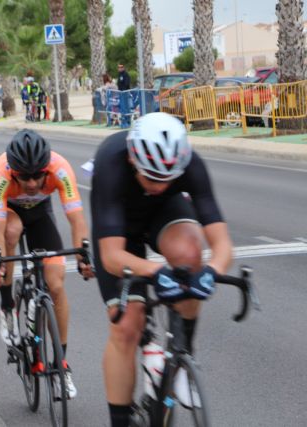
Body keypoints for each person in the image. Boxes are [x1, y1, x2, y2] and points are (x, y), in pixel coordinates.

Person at [90, 112, 232, 427]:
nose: (159, 185)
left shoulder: (190, 163)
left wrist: (211, 271)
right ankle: (121, 420)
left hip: (162, 216)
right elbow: (112, 256)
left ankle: (182, 358)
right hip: (119, 228)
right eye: (151, 177)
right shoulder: (111, 162)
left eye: (168, 178)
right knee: (126, 326)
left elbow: (221, 244)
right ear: (132, 160)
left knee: (190, 255)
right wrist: (157, 273)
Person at [0, 129, 94, 399]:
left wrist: (84, 256)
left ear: (47, 168)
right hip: (10, 213)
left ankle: (61, 365)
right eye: (25, 176)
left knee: (56, 285)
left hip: (41, 215)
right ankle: (7, 306)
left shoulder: (60, 169)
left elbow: (77, 221)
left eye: (38, 175)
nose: (32, 183)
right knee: (11, 232)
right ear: (13, 172)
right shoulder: (0, 174)